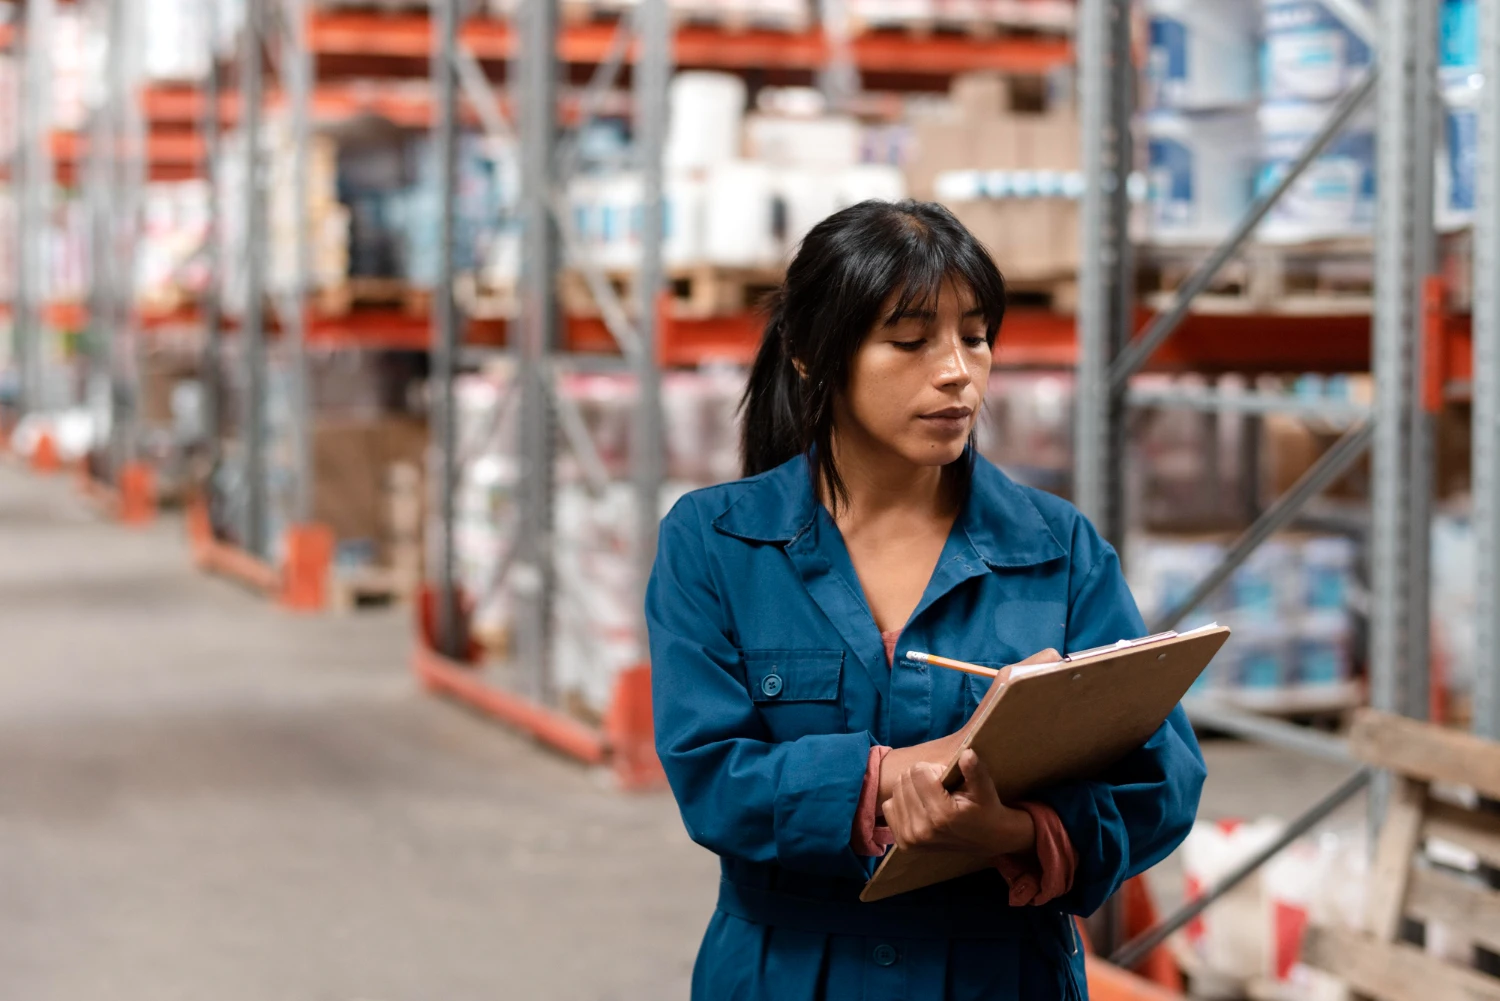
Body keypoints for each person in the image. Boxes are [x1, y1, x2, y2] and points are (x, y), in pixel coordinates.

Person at [645, 200, 1206, 1001]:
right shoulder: (716, 544)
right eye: (909, 341)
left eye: (975, 336)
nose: (955, 370)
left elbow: (1163, 780)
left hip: (999, 971)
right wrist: (891, 777)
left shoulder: (1058, 548)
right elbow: (711, 775)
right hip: (786, 970)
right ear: (810, 354)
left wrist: (1013, 832)